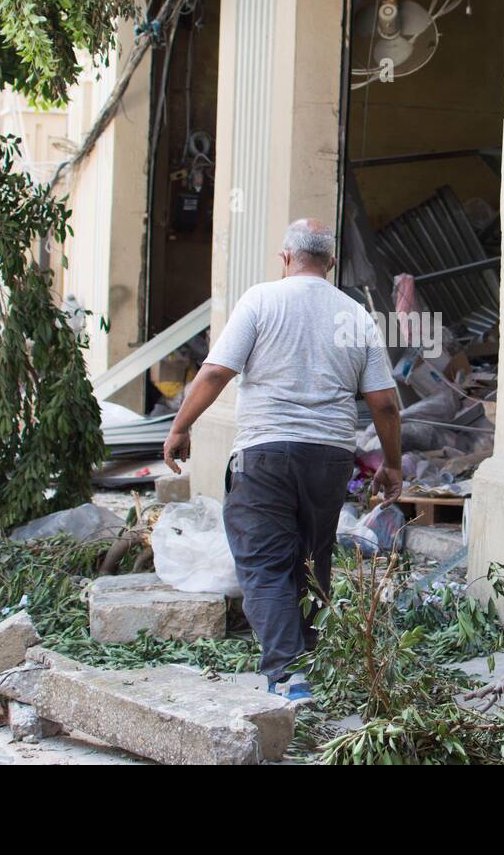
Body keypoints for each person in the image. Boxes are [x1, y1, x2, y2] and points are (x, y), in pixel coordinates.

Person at [162, 218, 402, 700]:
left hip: (264, 454)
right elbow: (385, 404)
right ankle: (308, 661)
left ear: (286, 258)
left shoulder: (260, 300)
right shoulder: (356, 316)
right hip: (331, 458)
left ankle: (288, 674)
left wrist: (180, 426)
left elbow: (214, 374)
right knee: (314, 560)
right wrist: (391, 465)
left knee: (265, 563)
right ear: (331, 263)